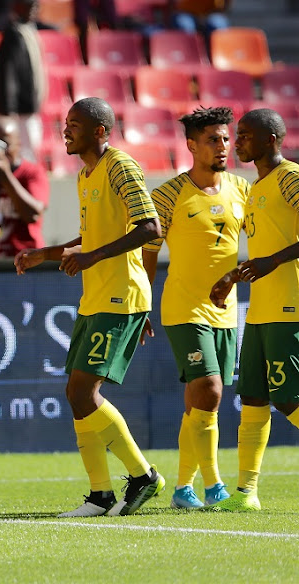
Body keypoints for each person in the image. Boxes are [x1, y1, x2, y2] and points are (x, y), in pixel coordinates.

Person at [15, 97, 165, 517]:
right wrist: (43, 253)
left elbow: (150, 227)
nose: (66, 131)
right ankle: (100, 495)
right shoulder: (86, 174)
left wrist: (93, 260)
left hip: (119, 296)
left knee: (83, 391)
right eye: (65, 124)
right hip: (96, 297)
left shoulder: (120, 166)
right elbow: (91, 239)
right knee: (76, 394)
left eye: (75, 124)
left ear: (100, 130)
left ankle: (142, 475)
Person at [142, 107, 249, 509]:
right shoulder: (167, 195)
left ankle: (184, 488)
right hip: (185, 309)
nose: (223, 147)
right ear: (191, 145)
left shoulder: (242, 189)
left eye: (225, 139)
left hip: (225, 312)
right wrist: (142, 306)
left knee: (200, 404)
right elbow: (148, 255)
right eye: (212, 140)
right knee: (210, 389)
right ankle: (215, 484)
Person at [209, 108, 299, 512]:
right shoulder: (254, 188)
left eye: (244, 135)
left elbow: (271, 255)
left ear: (271, 140)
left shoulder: (291, 177)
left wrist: (271, 262)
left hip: (289, 303)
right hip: (261, 309)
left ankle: (246, 491)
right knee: (254, 399)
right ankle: (246, 493)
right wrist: (232, 277)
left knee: (289, 398)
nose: (237, 142)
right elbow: (261, 252)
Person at [0, 117, 49, 257]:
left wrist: (4, 175)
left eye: (4, 143)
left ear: (18, 144)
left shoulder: (31, 172)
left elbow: (33, 215)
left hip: (23, 259)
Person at [0, 0, 45, 162]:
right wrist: (9, 107)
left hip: (26, 105)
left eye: (35, 6)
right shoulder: (12, 34)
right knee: (21, 148)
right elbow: (7, 73)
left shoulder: (29, 30)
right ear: (16, 7)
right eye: (28, 6)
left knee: (31, 145)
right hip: (15, 107)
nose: (33, 10)